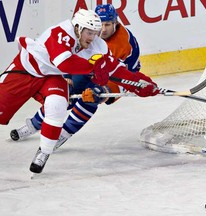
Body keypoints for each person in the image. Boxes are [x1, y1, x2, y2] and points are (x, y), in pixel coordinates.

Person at [1, 8, 159, 174]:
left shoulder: (106, 44)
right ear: (77, 28)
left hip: (53, 76)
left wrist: (140, 83)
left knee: (60, 105)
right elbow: (65, 63)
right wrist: (93, 68)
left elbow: (118, 70)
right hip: (26, 70)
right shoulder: (61, 33)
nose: (94, 37)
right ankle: (33, 125)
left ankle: (44, 153)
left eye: (96, 32)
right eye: (89, 33)